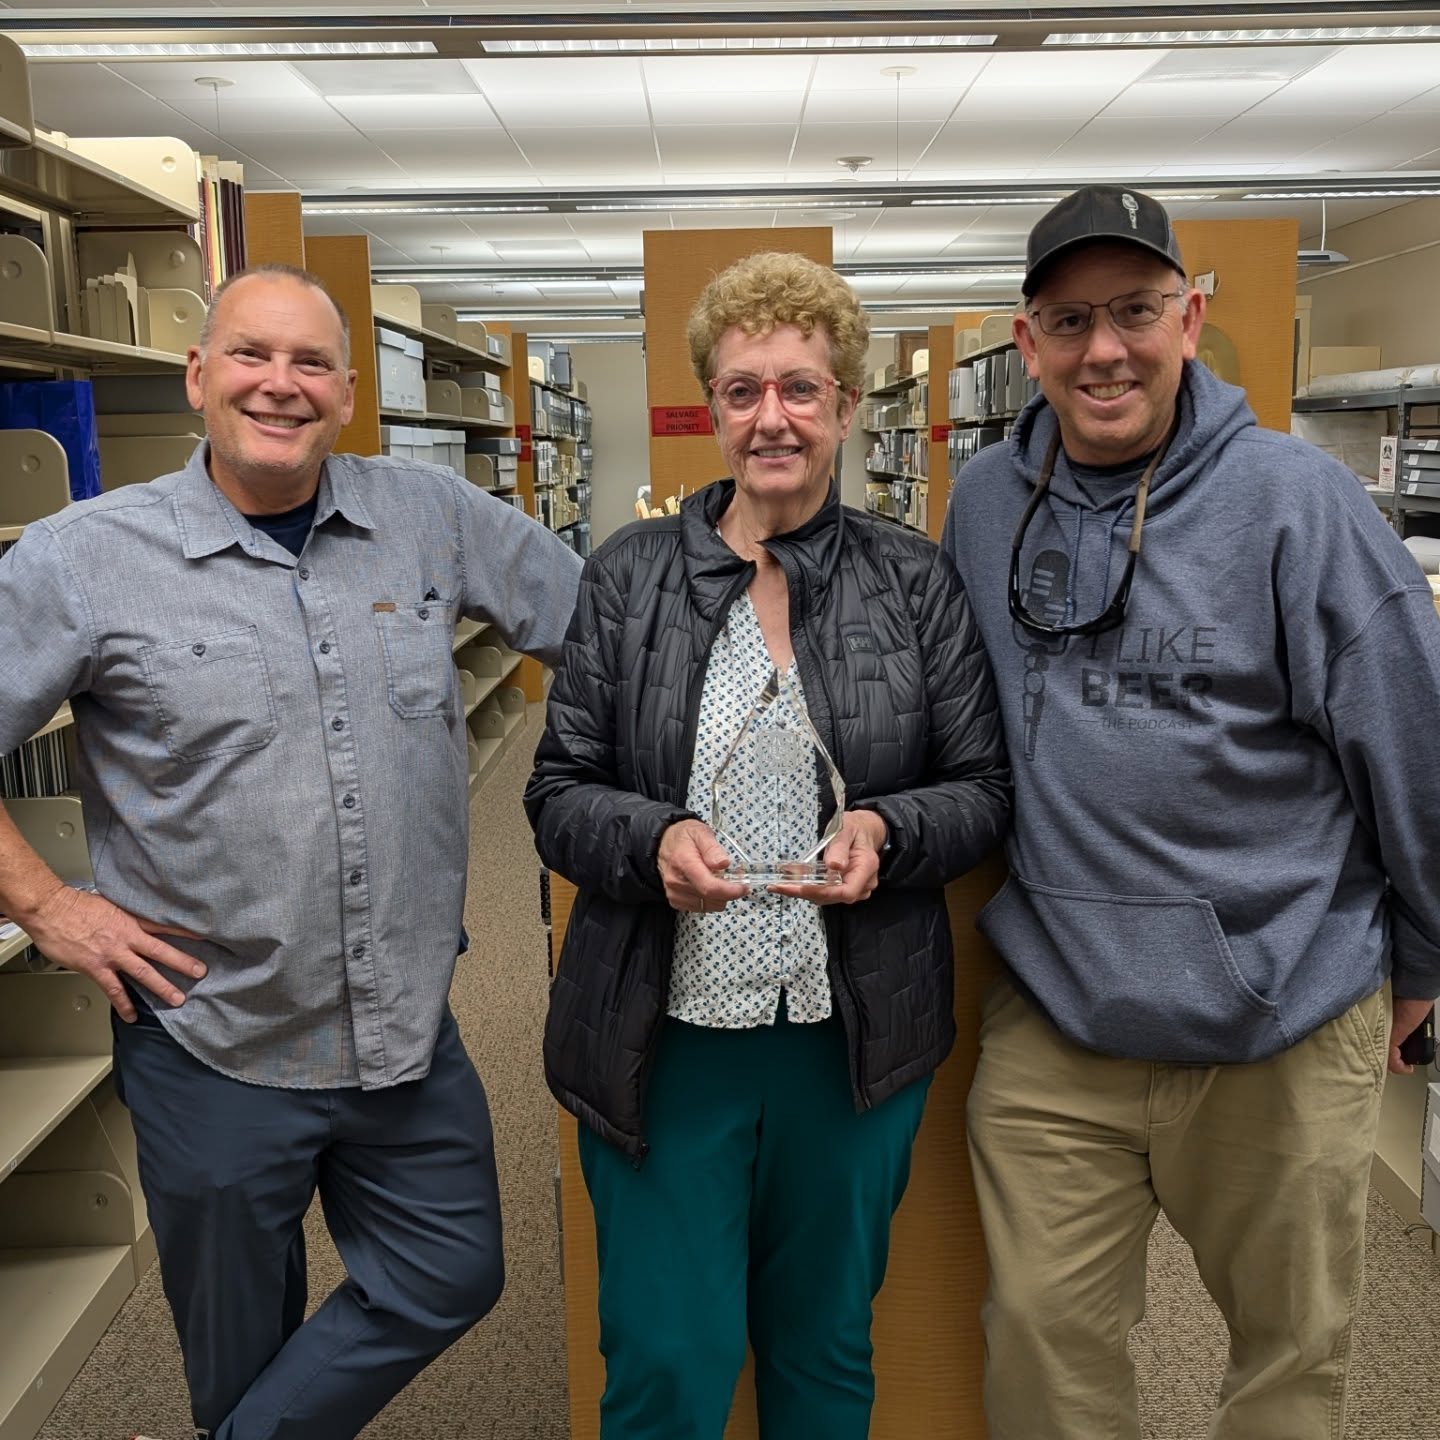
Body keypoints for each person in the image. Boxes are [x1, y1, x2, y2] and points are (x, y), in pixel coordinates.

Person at [0, 263, 582, 1440]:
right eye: (253, 356)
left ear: (349, 391)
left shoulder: (429, 517)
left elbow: (619, 627)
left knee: (452, 1274)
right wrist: (53, 908)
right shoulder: (81, 557)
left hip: (402, 1024)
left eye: (311, 362)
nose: (281, 385)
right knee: (238, 1344)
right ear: (199, 376)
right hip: (213, 1034)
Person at [942, 184, 1440, 1439]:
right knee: (1041, 1345)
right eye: (1070, 320)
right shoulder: (985, 503)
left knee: (1288, 1358)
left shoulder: (1295, 501)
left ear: (1192, 317)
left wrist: (1427, 954)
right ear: (1027, 340)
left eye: (1136, 311)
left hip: (1280, 1007)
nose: (1104, 348)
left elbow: (1412, 732)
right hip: (1062, 1012)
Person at [525, 250, 1011, 1439]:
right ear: (713, 411)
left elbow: (985, 790)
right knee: (664, 1363)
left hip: (848, 1045)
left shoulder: (913, 581)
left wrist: (889, 831)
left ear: (847, 406)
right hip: (661, 1037)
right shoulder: (629, 577)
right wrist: (654, 841)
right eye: (743, 390)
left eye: (801, 387)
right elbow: (555, 793)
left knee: (826, 1347)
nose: (773, 417)